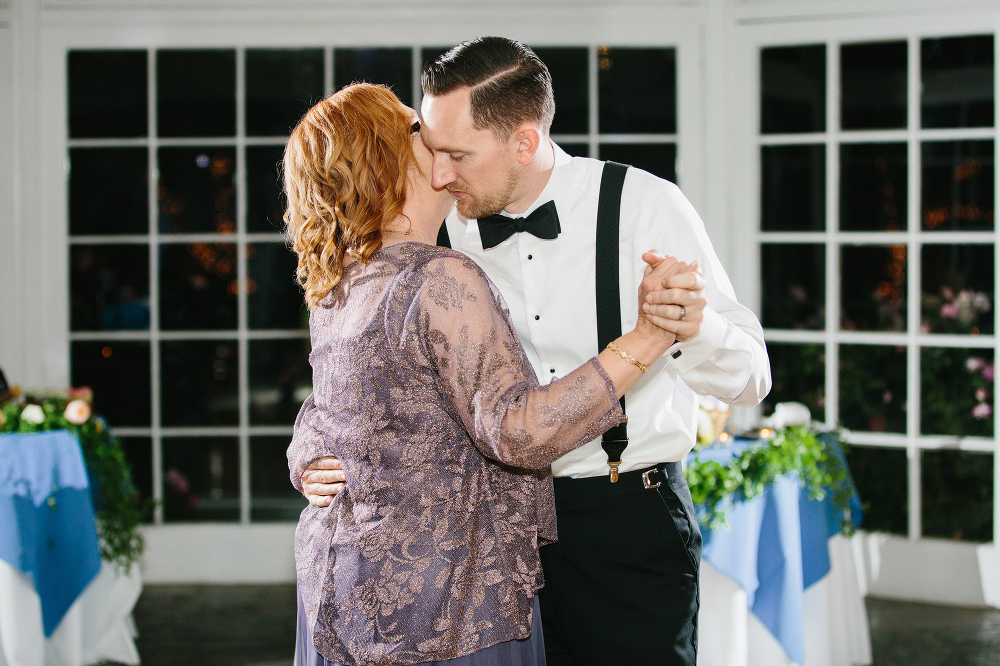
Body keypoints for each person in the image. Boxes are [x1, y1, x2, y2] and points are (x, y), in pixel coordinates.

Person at [302, 38, 772, 666]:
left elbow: (752, 378)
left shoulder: (643, 206)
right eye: (432, 150)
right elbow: (367, 369)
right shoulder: (439, 225)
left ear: (523, 142)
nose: (440, 172)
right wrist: (310, 453)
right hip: (485, 546)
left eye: (456, 155)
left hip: (618, 521)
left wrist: (689, 325)